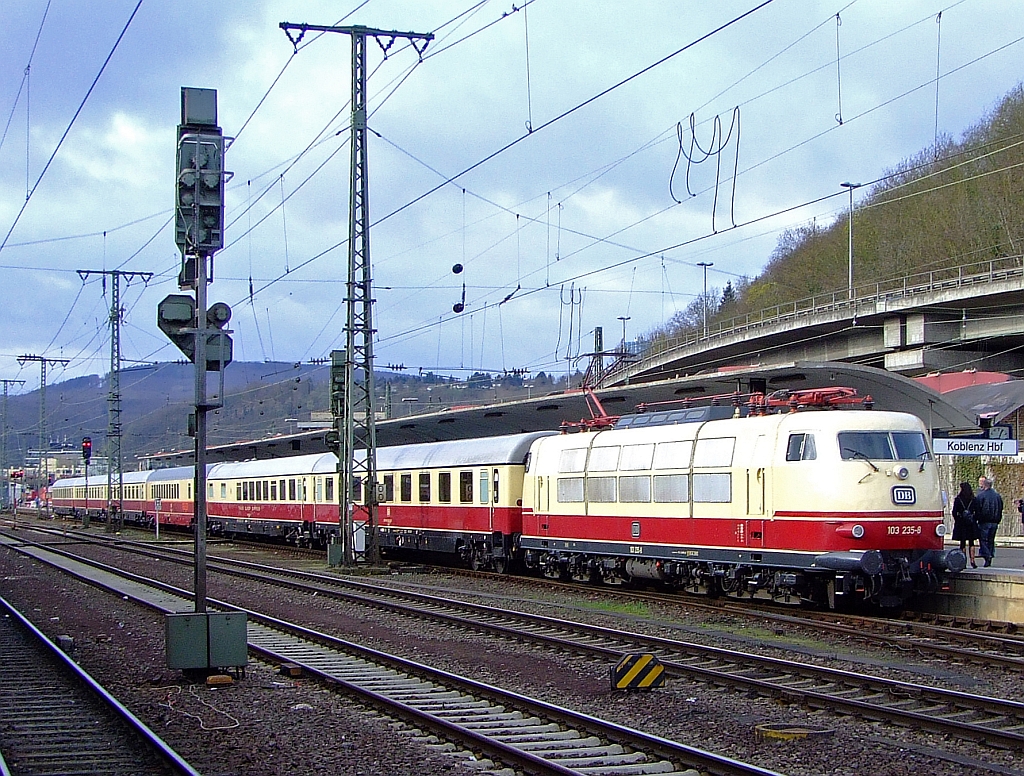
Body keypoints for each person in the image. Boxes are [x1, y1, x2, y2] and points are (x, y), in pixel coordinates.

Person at [974, 476, 1004, 567]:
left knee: (983, 540)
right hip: (995, 521)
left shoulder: (981, 496)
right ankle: (990, 554)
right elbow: (1001, 508)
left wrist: (977, 519)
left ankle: (987, 555)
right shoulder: (997, 496)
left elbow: (978, 509)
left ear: (984, 485)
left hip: (984, 521)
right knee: (991, 540)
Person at [951, 482, 979, 568]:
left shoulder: (958, 499)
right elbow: (978, 512)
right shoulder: (973, 499)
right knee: (972, 542)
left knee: (962, 543)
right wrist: (973, 519)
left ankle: (963, 561)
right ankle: (973, 560)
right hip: (971, 523)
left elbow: (954, 512)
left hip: (962, 523)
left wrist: (958, 519)